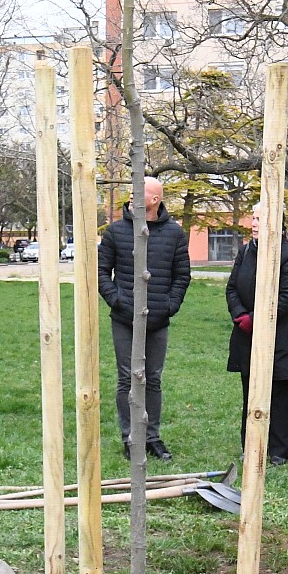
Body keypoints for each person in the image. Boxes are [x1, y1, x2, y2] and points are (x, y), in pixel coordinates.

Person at [97, 176, 191, 461]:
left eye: (140, 193)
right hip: (125, 319)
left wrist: (168, 306)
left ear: (154, 200)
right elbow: (102, 272)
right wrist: (117, 300)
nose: (132, 197)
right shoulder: (116, 232)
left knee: (152, 379)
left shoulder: (174, 234)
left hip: (158, 320)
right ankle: (130, 438)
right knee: (127, 378)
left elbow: (182, 276)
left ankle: (152, 438)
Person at [225, 207, 288, 466]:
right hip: (246, 335)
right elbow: (231, 288)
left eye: (260, 219)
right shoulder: (245, 251)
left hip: (281, 337)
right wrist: (241, 315)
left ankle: (278, 449)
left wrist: (258, 319)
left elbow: (287, 296)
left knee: (279, 392)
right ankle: (251, 445)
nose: (254, 223)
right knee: (249, 390)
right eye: (253, 218)